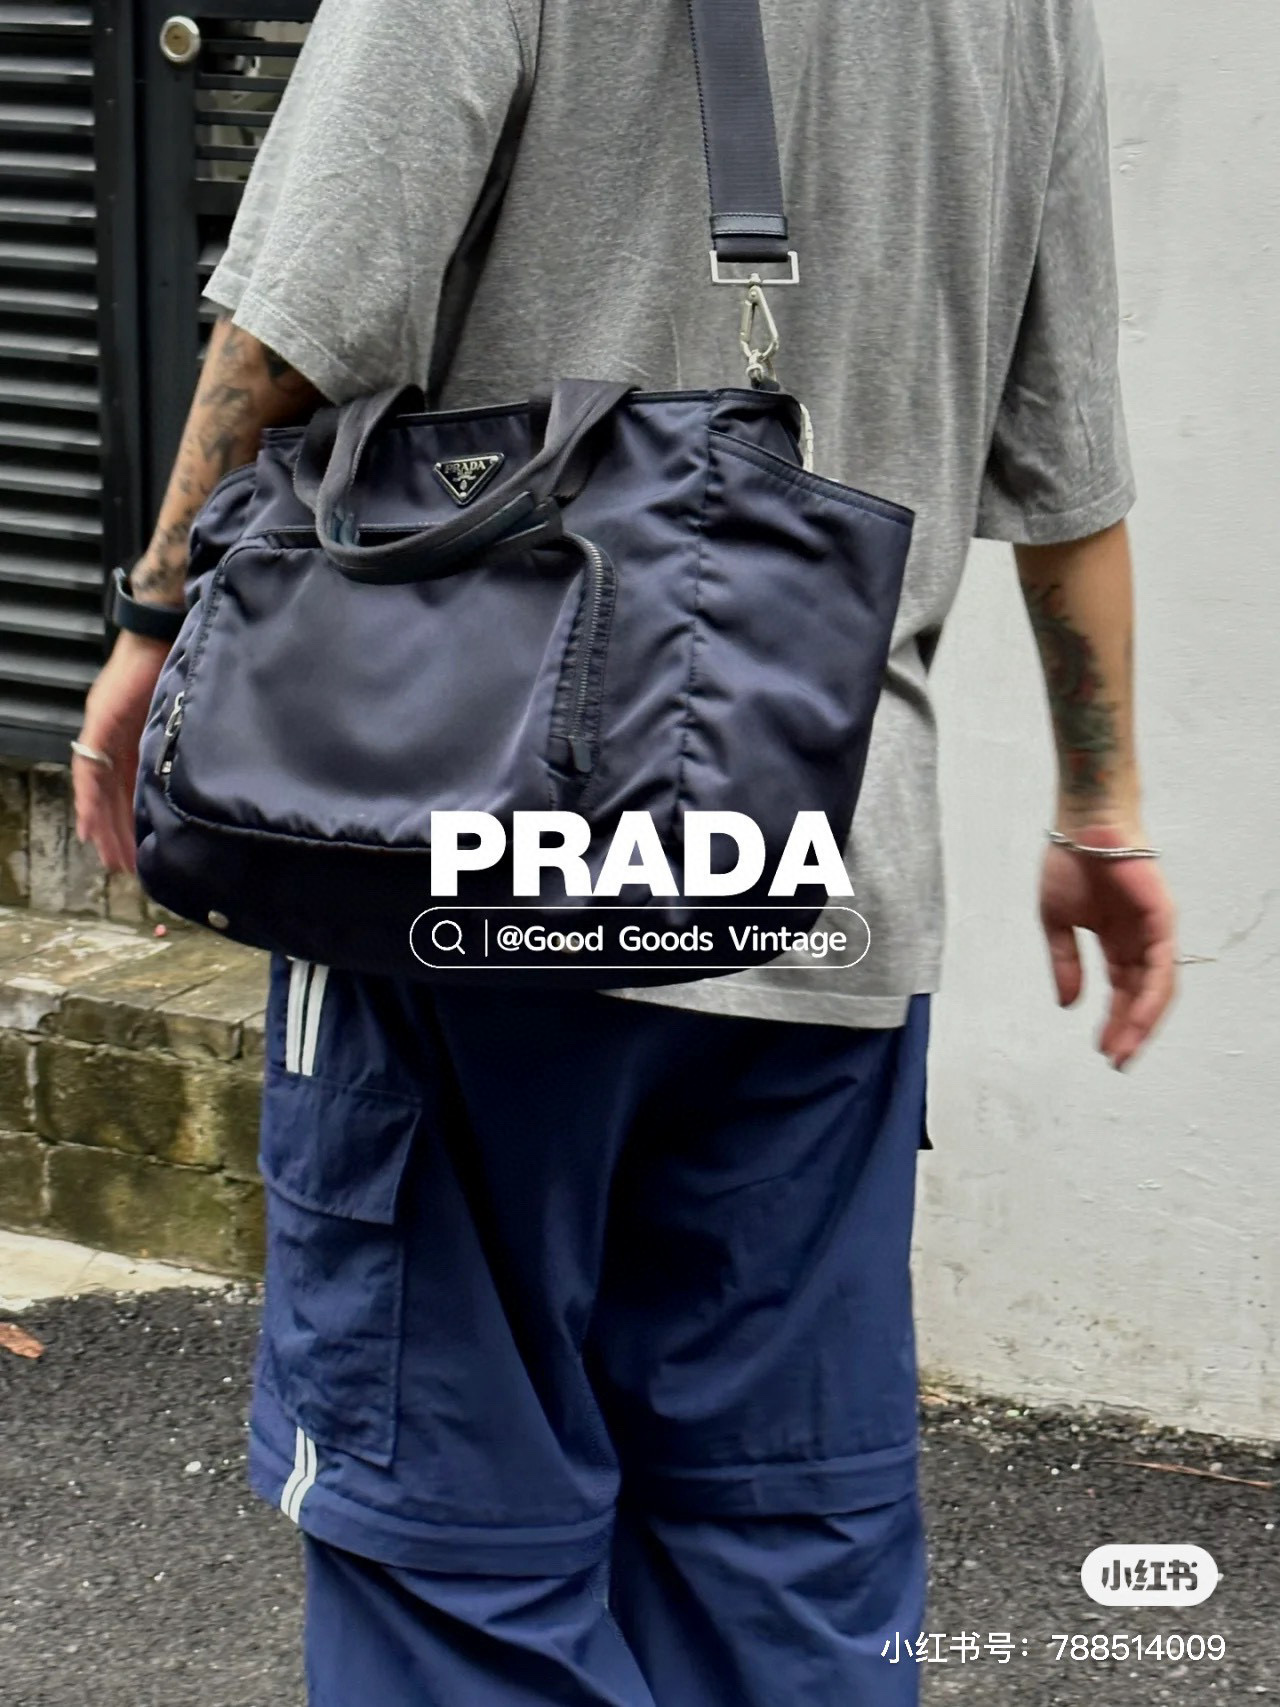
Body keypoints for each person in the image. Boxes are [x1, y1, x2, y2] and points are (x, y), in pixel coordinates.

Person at [72, 1, 1178, 1702]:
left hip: (472, 868)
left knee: (454, 1569)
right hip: (823, 882)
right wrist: (1102, 809)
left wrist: (157, 623)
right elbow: (1066, 452)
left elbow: (299, 323)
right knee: (783, 1568)